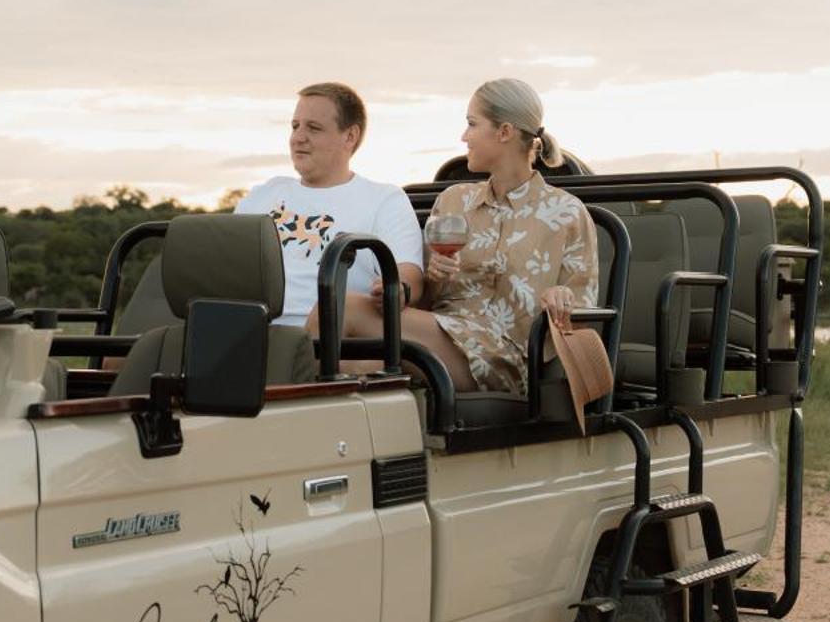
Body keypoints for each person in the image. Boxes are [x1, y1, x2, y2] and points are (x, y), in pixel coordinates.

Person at [336, 78, 596, 393]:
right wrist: (432, 279)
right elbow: (427, 300)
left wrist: (563, 300)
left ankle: (275, 415)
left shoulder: (567, 213)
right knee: (359, 364)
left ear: (504, 132)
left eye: (472, 124)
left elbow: (583, 317)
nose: (464, 136)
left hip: (506, 358)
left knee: (340, 309)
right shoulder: (454, 200)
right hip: (441, 338)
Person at [233, 82, 425, 329]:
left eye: (313, 128)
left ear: (350, 136)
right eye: (295, 126)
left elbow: (409, 275)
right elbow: (226, 266)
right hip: (250, 330)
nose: (298, 138)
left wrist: (397, 289)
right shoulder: (262, 195)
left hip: (329, 341)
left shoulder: (384, 199)